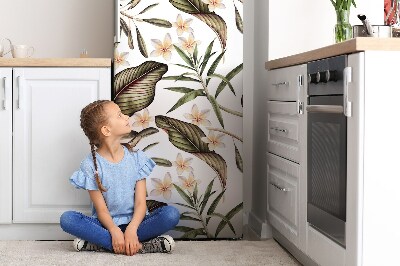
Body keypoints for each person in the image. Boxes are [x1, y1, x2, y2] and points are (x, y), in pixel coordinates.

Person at [60, 100, 180, 256]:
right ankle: (142, 246)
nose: (126, 117)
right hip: (106, 225)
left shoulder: (137, 158)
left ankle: (104, 244)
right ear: (106, 130)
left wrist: (132, 229)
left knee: (171, 214)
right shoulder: (90, 165)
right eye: (119, 115)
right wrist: (114, 230)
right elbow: (102, 210)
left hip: (137, 223)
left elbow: (140, 203)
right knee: (67, 219)